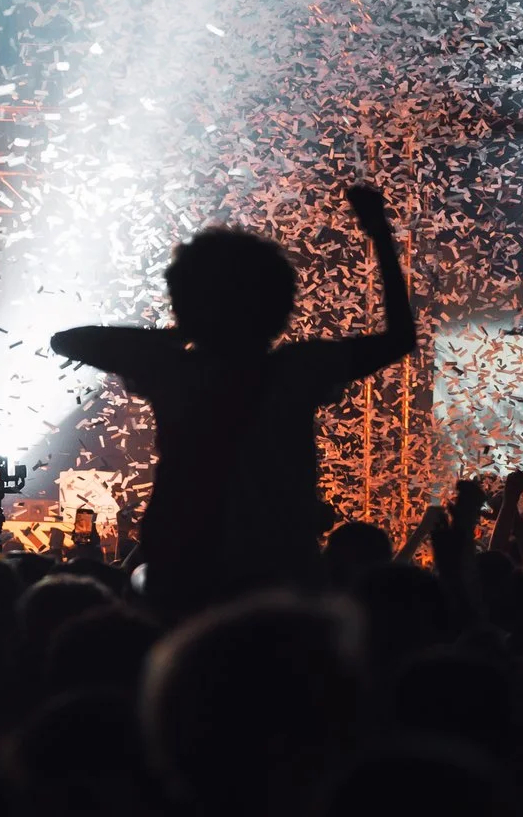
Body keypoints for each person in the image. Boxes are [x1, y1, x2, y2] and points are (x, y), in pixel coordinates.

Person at [50, 183, 414, 615]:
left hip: (184, 574)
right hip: (280, 572)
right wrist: (380, 234)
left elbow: (66, 341)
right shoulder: (298, 369)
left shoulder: (173, 370)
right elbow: (399, 339)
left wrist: (184, 330)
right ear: (279, 306)